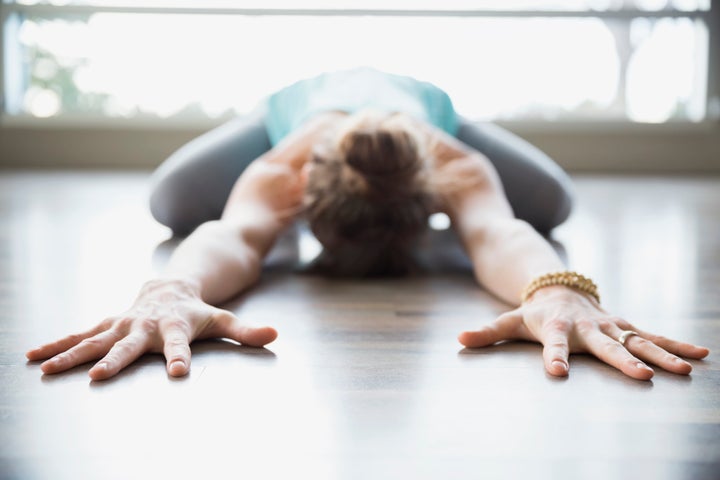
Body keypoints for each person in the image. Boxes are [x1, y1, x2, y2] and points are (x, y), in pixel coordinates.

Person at [26, 67, 708, 381]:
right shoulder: (282, 163)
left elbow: (500, 233)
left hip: (430, 107)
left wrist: (557, 289)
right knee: (172, 201)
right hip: (289, 107)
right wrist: (171, 287)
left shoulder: (455, 160)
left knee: (550, 203)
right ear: (301, 198)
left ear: (437, 194)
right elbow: (233, 233)